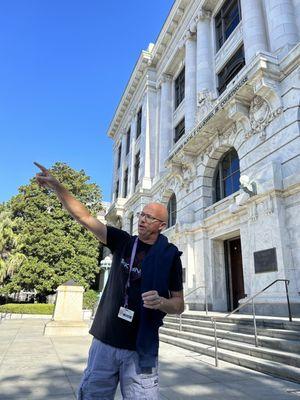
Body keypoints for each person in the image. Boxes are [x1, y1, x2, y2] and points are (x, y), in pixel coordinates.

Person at [34, 162, 184, 400]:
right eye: (142, 214)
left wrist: (162, 303)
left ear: (161, 225)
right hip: (105, 342)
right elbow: (84, 217)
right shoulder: (123, 241)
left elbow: (179, 305)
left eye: (149, 217)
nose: (142, 219)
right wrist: (58, 187)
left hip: (140, 349)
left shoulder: (170, 256)